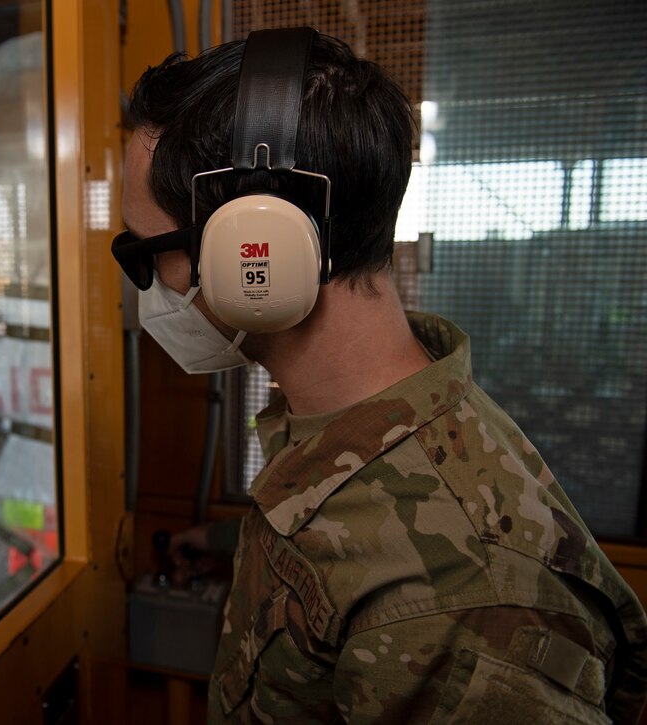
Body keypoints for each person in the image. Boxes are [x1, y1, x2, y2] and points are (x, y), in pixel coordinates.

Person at [112, 28, 647, 724]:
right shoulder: (345, 426)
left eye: (146, 254)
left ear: (258, 253)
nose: (146, 287)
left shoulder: (462, 602)